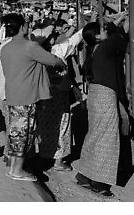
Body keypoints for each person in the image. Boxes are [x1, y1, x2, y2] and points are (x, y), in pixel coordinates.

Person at [0, 13, 66, 181]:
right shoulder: (29, 46)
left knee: (16, 132)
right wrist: (61, 64)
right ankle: (17, 171)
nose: (29, 27)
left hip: (13, 94)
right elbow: (52, 59)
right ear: (21, 28)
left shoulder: (5, 47)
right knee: (23, 134)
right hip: (25, 97)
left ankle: (14, 167)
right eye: (26, 25)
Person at [75, 11, 129, 197]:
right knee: (106, 140)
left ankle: (83, 176)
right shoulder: (106, 47)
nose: (105, 29)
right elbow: (122, 39)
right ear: (97, 36)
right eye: (102, 29)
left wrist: (117, 20)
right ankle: (99, 183)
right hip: (106, 96)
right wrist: (122, 21)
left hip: (96, 95)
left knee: (94, 136)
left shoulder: (92, 49)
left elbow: (113, 32)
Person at [32, 24, 84, 172]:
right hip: (59, 95)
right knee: (62, 125)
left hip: (42, 95)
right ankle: (58, 161)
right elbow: (75, 39)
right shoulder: (57, 51)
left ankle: (44, 155)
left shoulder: (35, 53)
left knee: (45, 125)